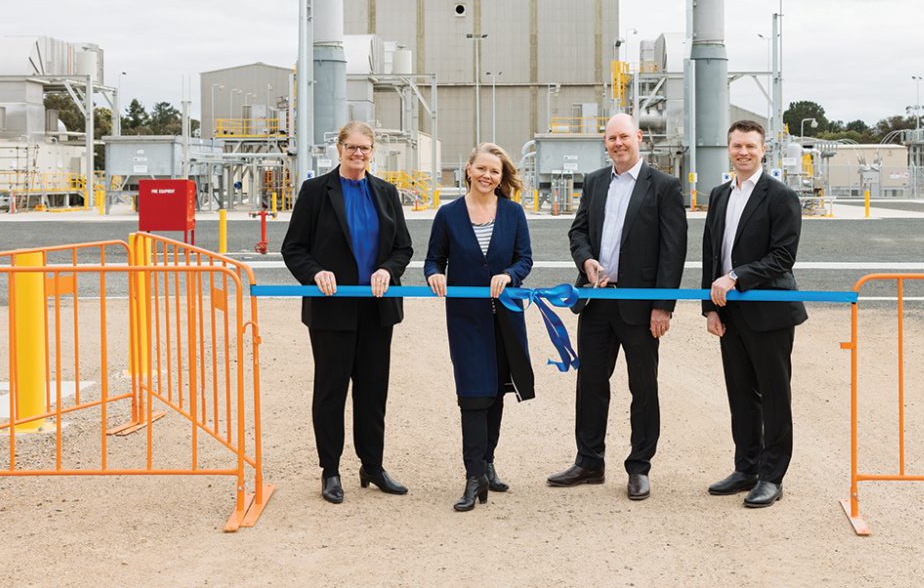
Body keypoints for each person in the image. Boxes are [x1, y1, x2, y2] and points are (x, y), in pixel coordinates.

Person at [547, 113, 687, 501]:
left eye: (624, 136)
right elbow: (577, 231)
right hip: (596, 300)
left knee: (642, 387)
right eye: (611, 138)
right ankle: (589, 461)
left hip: (640, 306)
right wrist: (586, 260)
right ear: (605, 143)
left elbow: (673, 251)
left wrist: (663, 306)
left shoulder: (664, 186)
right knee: (591, 383)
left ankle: (640, 466)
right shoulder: (594, 182)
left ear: (638, 138)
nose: (618, 144)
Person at [281, 121, 414, 504]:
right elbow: (294, 248)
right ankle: (331, 470)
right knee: (331, 391)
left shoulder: (386, 193)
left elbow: (403, 248)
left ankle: (372, 466)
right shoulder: (315, 192)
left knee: (373, 392)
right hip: (332, 310)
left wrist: (388, 270)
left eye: (365, 148)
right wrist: (314, 272)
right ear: (338, 148)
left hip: (376, 309)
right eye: (352, 147)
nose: (359, 154)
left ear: (373, 151)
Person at [701, 119, 808, 508]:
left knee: (774, 396)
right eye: (736, 146)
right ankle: (745, 467)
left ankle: (771, 476)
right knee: (740, 394)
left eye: (750, 146)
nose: (743, 152)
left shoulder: (780, 197)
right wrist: (710, 308)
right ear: (728, 149)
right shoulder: (719, 195)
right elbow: (711, 253)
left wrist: (735, 277)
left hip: (769, 312)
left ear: (764, 150)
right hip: (730, 313)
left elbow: (782, 257)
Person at [425, 143, 535, 512]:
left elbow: (525, 259)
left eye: (496, 172)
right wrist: (434, 274)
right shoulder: (449, 214)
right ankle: (473, 476)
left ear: (501, 178)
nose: (488, 176)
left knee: (496, 391)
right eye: (482, 168)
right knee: (473, 393)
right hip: (467, 319)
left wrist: (510, 274)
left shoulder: (513, 213)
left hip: (505, 316)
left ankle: (487, 462)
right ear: (469, 169)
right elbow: (433, 259)